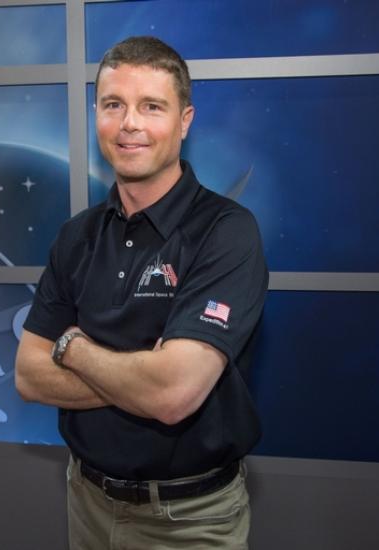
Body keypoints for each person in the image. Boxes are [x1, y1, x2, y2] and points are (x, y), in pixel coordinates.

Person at [15, 35, 268, 549]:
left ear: (184, 121)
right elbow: (28, 376)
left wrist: (72, 348)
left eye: (152, 106)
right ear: (97, 116)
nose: (130, 123)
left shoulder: (226, 231)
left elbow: (173, 395)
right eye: (114, 105)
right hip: (85, 501)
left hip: (190, 521)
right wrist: (143, 377)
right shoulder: (76, 235)